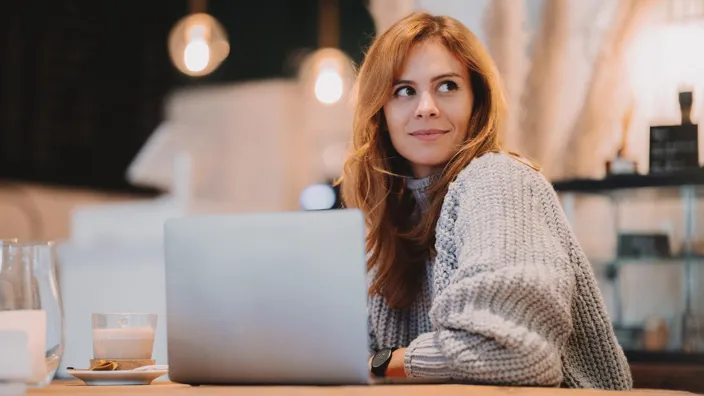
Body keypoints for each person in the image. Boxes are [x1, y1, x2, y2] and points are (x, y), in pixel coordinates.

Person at [339, 12, 632, 389]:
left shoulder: (498, 181)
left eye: (446, 86)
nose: (426, 106)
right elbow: (349, 352)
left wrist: (383, 363)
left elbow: (509, 351)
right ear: (379, 112)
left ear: (476, 101)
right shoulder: (393, 216)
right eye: (404, 90)